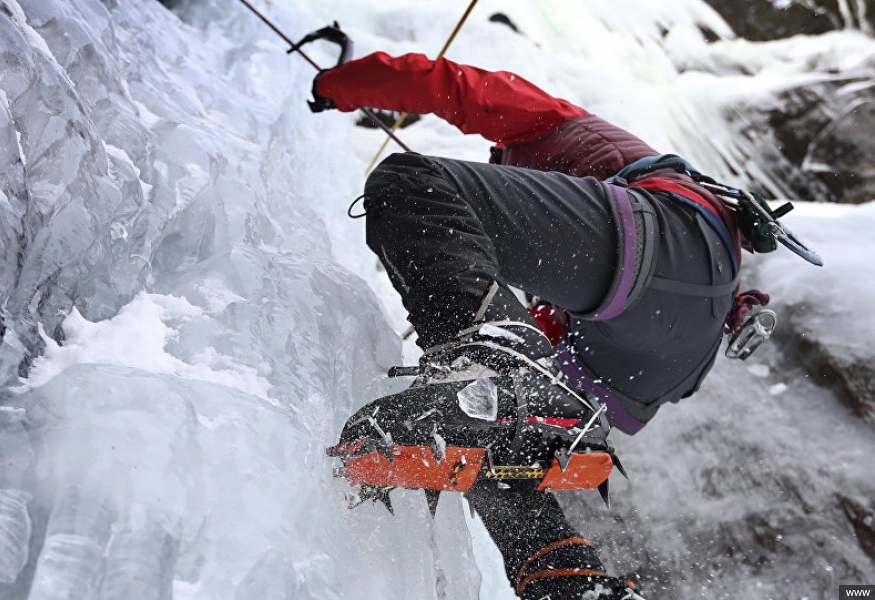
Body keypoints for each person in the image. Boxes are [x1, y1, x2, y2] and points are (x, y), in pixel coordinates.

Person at [312, 51, 747, 600]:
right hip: (665, 357)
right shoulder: (571, 235)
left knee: (410, 181)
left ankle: (496, 365)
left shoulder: (557, 123)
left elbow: (458, 86)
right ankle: (566, 578)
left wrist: (338, 84)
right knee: (497, 435)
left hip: (664, 242)